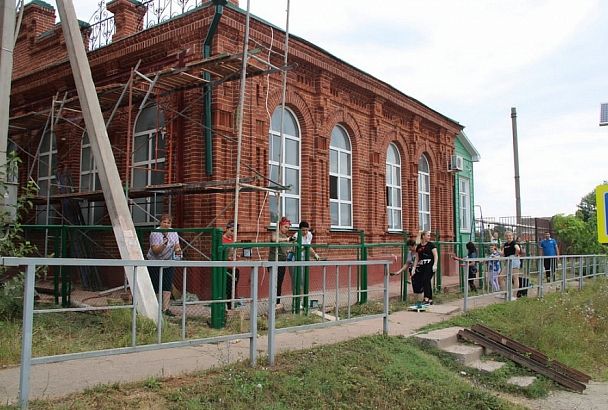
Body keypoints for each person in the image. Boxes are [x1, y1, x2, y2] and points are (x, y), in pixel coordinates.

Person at [147, 214, 182, 316]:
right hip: (155, 261)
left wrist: (178, 251)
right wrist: (164, 244)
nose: (166, 224)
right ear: (160, 222)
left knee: (167, 285)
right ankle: (156, 308)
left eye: (169, 222)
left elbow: (177, 245)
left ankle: (165, 309)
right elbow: (155, 251)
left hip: (168, 260)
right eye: (164, 222)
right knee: (156, 284)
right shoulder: (155, 233)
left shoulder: (173, 232)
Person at [268, 217, 292, 309]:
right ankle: (272, 303)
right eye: (286, 227)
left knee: (279, 283)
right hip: (273, 262)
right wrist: (286, 240)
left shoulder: (286, 236)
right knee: (274, 283)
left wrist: (290, 250)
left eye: (288, 228)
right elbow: (274, 239)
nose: (287, 229)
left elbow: (286, 250)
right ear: (280, 226)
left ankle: (277, 303)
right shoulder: (275, 233)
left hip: (282, 262)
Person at [411, 231, 438, 305]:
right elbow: (417, 258)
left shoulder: (431, 245)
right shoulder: (419, 246)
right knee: (426, 281)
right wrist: (414, 268)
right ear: (423, 236)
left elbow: (436, 255)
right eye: (428, 235)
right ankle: (430, 299)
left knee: (426, 279)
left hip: (430, 265)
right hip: (422, 265)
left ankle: (426, 298)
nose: (429, 237)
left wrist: (435, 264)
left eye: (429, 235)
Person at [223, 221, 240, 310]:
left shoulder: (232, 240)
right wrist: (228, 257)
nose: (233, 233)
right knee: (227, 289)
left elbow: (232, 253)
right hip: (226, 268)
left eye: (234, 232)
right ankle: (227, 307)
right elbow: (221, 255)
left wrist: (236, 255)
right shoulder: (222, 239)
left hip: (234, 267)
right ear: (227, 229)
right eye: (231, 231)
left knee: (233, 288)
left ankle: (231, 306)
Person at [501, 231, 520, 299]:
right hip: (508, 261)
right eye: (507, 236)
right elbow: (502, 254)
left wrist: (515, 255)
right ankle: (505, 293)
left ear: (512, 236)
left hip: (514, 261)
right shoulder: (505, 244)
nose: (508, 237)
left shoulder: (514, 242)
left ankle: (514, 296)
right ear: (505, 237)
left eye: (510, 235)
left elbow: (518, 249)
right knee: (501, 277)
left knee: (515, 277)